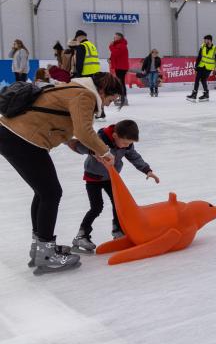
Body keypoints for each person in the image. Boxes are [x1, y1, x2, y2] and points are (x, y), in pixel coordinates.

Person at [0, 71, 122, 274]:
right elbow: (84, 131)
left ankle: (40, 247)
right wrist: (106, 152)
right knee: (51, 193)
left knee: (44, 192)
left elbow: (50, 115)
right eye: (111, 98)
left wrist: (70, 141)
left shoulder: (71, 88)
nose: (109, 104)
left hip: (13, 135)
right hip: (23, 139)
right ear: (102, 90)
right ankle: (45, 253)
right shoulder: (85, 95)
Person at [68, 119, 159, 253]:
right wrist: (94, 151)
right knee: (96, 207)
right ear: (115, 136)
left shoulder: (125, 143)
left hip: (111, 177)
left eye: (129, 144)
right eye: (124, 143)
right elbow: (82, 146)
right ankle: (81, 235)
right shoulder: (99, 139)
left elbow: (134, 156)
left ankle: (118, 231)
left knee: (118, 204)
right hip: (94, 177)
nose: (125, 146)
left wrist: (147, 170)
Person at [187, 35, 216, 101]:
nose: (204, 41)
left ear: (209, 40)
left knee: (203, 79)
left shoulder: (215, 49)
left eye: (205, 40)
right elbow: (199, 57)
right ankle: (194, 94)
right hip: (201, 65)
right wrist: (196, 66)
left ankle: (206, 94)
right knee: (197, 79)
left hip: (209, 67)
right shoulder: (203, 46)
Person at [109, 32, 130, 107]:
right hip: (119, 66)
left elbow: (116, 53)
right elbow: (115, 55)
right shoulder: (118, 45)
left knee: (121, 83)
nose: (114, 38)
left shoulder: (122, 45)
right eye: (114, 37)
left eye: (116, 37)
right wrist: (111, 59)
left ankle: (124, 99)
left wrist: (111, 46)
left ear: (120, 37)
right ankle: (122, 98)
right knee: (120, 83)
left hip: (121, 67)